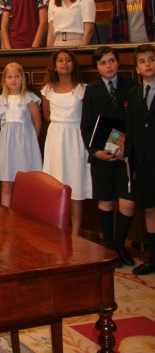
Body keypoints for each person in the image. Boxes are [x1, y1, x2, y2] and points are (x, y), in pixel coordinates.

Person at [80, 47, 136, 268]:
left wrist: (128, 149)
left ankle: (121, 245)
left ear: (119, 63)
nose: (108, 66)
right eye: (103, 63)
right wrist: (95, 151)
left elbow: (135, 123)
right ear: (97, 67)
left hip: (124, 157)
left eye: (112, 61)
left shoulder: (131, 87)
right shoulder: (92, 90)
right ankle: (111, 248)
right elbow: (85, 126)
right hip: (101, 156)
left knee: (128, 203)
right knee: (105, 201)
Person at [40, 49, 92, 236]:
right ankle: (58, 229)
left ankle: (76, 233)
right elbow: (46, 115)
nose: (64, 63)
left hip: (75, 137)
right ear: (54, 66)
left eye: (68, 60)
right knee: (57, 182)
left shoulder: (82, 89)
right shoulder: (48, 89)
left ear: (73, 64)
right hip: (56, 137)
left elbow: (88, 116)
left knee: (75, 184)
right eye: (60, 60)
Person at [125, 43, 155, 276]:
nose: (148, 64)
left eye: (151, 59)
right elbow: (131, 129)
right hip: (143, 162)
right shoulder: (134, 94)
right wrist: (128, 159)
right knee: (149, 210)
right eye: (143, 61)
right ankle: (153, 259)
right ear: (136, 68)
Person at [0, 62, 42, 207]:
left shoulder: (29, 98)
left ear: (22, 79)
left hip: (25, 144)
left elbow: (37, 122)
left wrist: (32, 141)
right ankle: (6, 214)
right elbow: (2, 124)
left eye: (16, 76)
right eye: (9, 77)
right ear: (4, 80)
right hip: (7, 145)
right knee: (7, 181)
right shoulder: (2, 100)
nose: (13, 80)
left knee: (26, 181)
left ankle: (27, 214)